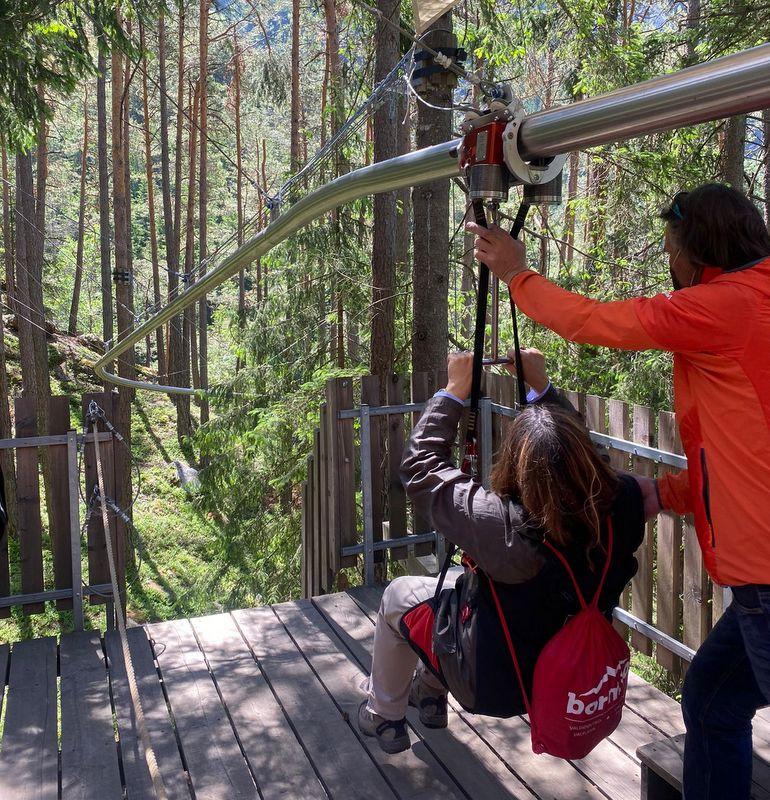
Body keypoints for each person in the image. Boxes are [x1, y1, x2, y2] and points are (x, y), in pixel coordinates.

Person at [468, 182, 770, 799]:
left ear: (699, 251)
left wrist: (517, 275)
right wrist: (667, 493)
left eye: (670, 249)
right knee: (712, 700)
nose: (669, 262)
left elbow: (592, 321)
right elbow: (748, 453)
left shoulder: (720, 307)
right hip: (758, 583)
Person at [358, 348, 646, 753]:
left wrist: (455, 390)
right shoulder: (623, 506)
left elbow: (421, 468)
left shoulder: (505, 529)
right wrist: (540, 387)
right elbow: (591, 461)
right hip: (566, 672)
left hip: (493, 683)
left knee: (398, 596)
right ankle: (428, 691)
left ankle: (383, 715)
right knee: (459, 590)